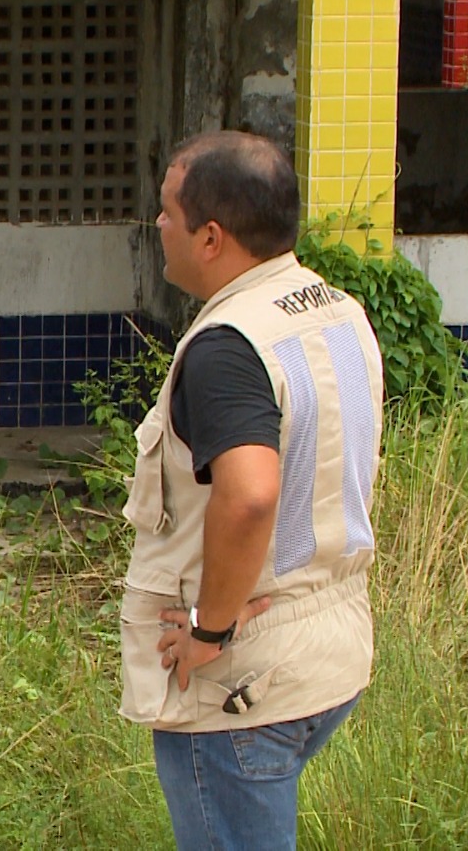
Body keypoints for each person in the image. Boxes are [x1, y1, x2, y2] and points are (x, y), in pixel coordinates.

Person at [117, 130, 384, 850]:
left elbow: (251, 493)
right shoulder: (336, 308)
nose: (159, 227)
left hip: (243, 680)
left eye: (167, 213)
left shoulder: (229, 345)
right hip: (330, 649)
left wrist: (210, 627)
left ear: (211, 236)